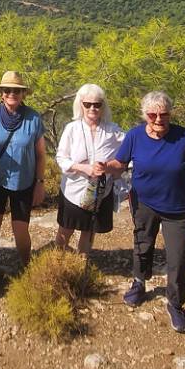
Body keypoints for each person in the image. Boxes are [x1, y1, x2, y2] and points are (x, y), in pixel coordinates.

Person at [105, 91, 185, 334]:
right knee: (142, 243)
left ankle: (175, 304)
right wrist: (104, 167)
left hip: (178, 207)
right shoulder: (134, 136)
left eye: (163, 114)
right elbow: (120, 164)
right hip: (144, 202)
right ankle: (139, 283)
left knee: (177, 257)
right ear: (145, 115)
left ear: (170, 114)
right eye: (152, 114)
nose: (158, 119)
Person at [0, 70, 46, 283]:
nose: (12, 94)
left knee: (20, 228)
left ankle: (26, 265)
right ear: (1, 93)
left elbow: (41, 154)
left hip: (24, 182)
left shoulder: (33, 118)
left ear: (22, 94)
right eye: (7, 90)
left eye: (16, 90)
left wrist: (40, 183)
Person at [54, 84, 125, 255]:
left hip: (100, 191)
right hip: (74, 190)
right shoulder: (72, 129)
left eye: (97, 104)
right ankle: (57, 266)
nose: (92, 108)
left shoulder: (112, 131)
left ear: (103, 105)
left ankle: (81, 266)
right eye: (88, 104)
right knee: (66, 229)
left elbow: (130, 150)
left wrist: (109, 167)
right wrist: (83, 168)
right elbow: (61, 158)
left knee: (89, 230)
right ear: (81, 104)